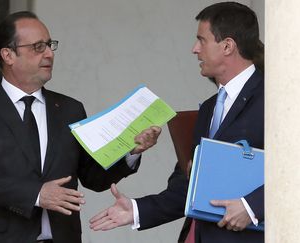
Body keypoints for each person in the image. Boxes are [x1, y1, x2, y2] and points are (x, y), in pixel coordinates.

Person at [0, 11, 161, 243]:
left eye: (50, 45)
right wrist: (37, 194)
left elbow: (93, 177)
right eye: (38, 46)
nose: (49, 53)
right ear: (8, 55)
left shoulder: (70, 109)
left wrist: (131, 152)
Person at [89, 2, 264, 243]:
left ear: (227, 46)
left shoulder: (276, 99)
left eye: (201, 40)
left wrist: (252, 206)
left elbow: (299, 168)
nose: (194, 49)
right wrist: (137, 210)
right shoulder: (209, 109)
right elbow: (187, 188)